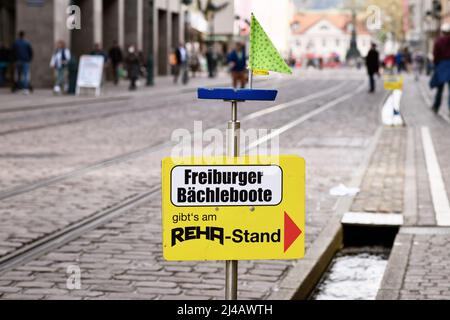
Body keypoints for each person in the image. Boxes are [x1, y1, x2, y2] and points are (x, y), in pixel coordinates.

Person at [430, 23, 450, 113]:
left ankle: (436, 106)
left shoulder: (438, 41)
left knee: (440, 88)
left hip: (441, 65)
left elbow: (435, 54)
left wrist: (435, 65)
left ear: (442, 32)